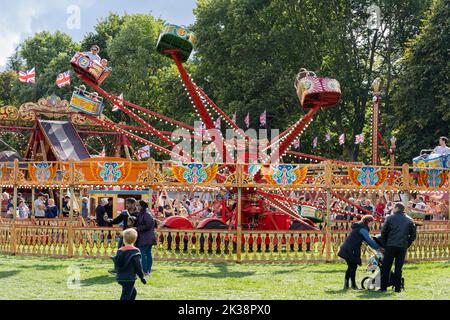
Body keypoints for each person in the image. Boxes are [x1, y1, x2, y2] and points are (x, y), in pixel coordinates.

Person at [379, 203, 417, 292]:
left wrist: (384, 244)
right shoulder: (410, 220)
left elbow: (383, 232)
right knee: (398, 268)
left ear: (397, 208)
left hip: (390, 245)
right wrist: (407, 244)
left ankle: (383, 288)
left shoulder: (389, 218)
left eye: (394, 207)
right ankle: (397, 288)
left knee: (386, 267)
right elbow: (413, 235)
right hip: (402, 246)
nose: (392, 209)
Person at [338, 215, 381, 290]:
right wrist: (379, 247)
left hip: (348, 249)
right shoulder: (362, 229)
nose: (372, 225)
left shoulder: (360, 227)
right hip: (351, 250)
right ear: (368, 222)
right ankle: (353, 285)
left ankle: (346, 284)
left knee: (351, 266)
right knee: (353, 267)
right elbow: (369, 240)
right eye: (371, 223)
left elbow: (367, 239)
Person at [111, 228, 146, 300]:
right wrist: (142, 277)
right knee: (125, 296)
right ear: (135, 240)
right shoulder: (135, 251)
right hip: (129, 278)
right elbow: (138, 266)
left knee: (133, 293)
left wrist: (114, 259)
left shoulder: (120, 250)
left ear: (124, 240)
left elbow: (118, 263)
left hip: (120, 277)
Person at [134, 200, 157, 276]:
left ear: (142, 206)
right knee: (146, 254)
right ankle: (147, 271)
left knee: (143, 254)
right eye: (136, 205)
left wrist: (137, 228)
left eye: (138, 205)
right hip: (146, 237)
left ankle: (145, 271)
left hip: (146, 237)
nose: (136, 207)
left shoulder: (146, 214)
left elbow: (148, 226)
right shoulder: (143, 214)